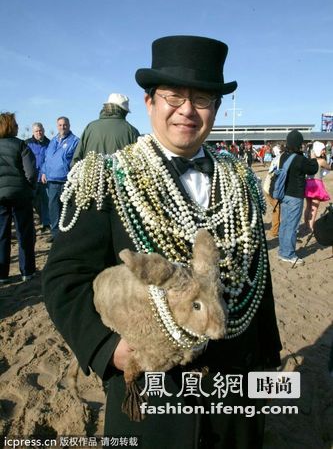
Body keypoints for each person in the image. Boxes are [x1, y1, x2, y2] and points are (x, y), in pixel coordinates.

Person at [42, 35, 282, 449]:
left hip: (234, 391)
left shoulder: (241, 180)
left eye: (202, 99)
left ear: (216, 109)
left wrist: (265, 361)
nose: (187, 110)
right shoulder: (107, 176)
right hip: (154, 398)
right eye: (173, 96)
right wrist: (106, 348)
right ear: (150, 101)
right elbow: (64, 278)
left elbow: (256, 278)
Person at [0, 112, 37, 283]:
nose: (18, 126)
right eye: (15, 124)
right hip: (20, 195)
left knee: (1, 235)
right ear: (10, 126)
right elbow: (30, 172)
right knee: (25, 233)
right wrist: (29, 187)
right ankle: (27, 271)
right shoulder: (21, 145)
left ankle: (2, 274)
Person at [278, 130, 318, 265]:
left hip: (284, 195)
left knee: (284, 223)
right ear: (299, 144)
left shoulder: (284, 156)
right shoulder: (300, 159)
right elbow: (313, 169)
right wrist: (312, 156)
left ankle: (282, 251)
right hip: (295, 197)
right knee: (292, 226)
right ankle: (288, 254)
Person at [72, 93, 140, 166]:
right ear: (124, 111)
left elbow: (76, 159)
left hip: (89, 176)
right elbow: (139, 164)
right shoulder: (132, 131)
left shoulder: (90, 127)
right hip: (120, 177)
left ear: (106, 107)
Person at [41, 117, 79, 241]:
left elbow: (76, 160)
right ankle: (55, 234)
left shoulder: (75, 141)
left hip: (65, 180)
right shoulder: (53, 141)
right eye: (60, 125)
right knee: (53, 208)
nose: (62, 127)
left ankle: (67, 234)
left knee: (67, 208)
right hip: (52, 180)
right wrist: (43, 172)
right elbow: (46, 159)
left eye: (65, 125)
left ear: (69, 125)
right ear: (57, 126)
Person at [26, 122, 50, 231]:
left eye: (40, 130)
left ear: (43, 131)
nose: (39, 133)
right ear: (33, 132)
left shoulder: (49, 143)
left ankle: (46, 223)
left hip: (45, 178)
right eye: (36, 131)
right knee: (32, 202)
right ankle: (30, 224)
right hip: (32, 178)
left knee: (46, 201)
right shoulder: (27, 144)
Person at [303, 141, 332, 231]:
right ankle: (311, 227)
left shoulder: (308, 160)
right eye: (323, 149)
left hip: (307, 183)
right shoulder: (322, 161)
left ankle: (306, 225)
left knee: (308, 206)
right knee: (314, 207)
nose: (324, 151)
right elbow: (330, 168)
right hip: (316, 184)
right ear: (319, 150)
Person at [264, 144, 284, 238]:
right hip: (271, 188)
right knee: (277, 209)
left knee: (277, 209)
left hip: (269, 187)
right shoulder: (280, 159)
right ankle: (275, 231)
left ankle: (276, 230)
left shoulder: (277, 159)